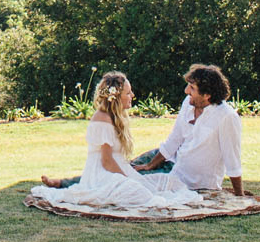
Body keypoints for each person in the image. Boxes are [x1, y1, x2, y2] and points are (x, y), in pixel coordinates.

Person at [30, 71, 209, 212]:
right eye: (128, 92)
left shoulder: (115, 116)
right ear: (116, 96)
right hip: (102, 174)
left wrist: (131, 175)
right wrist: (127, 178)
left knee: (163, 183)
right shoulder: (102, 119)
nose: (132, 95)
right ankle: (64, 186)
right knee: (140, 193)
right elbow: (106, 161)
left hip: (116, 169)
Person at [140, 63, 245, 196]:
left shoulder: (226, 116)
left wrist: (240, 197)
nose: (186, 91)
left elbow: (232, 159)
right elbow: (175, 139)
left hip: (198, 187)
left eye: (192, 88)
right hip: (174, 172)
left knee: (140, 190)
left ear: (207, 94)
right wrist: (149, 165)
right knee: (129, 173)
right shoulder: (188, 103)